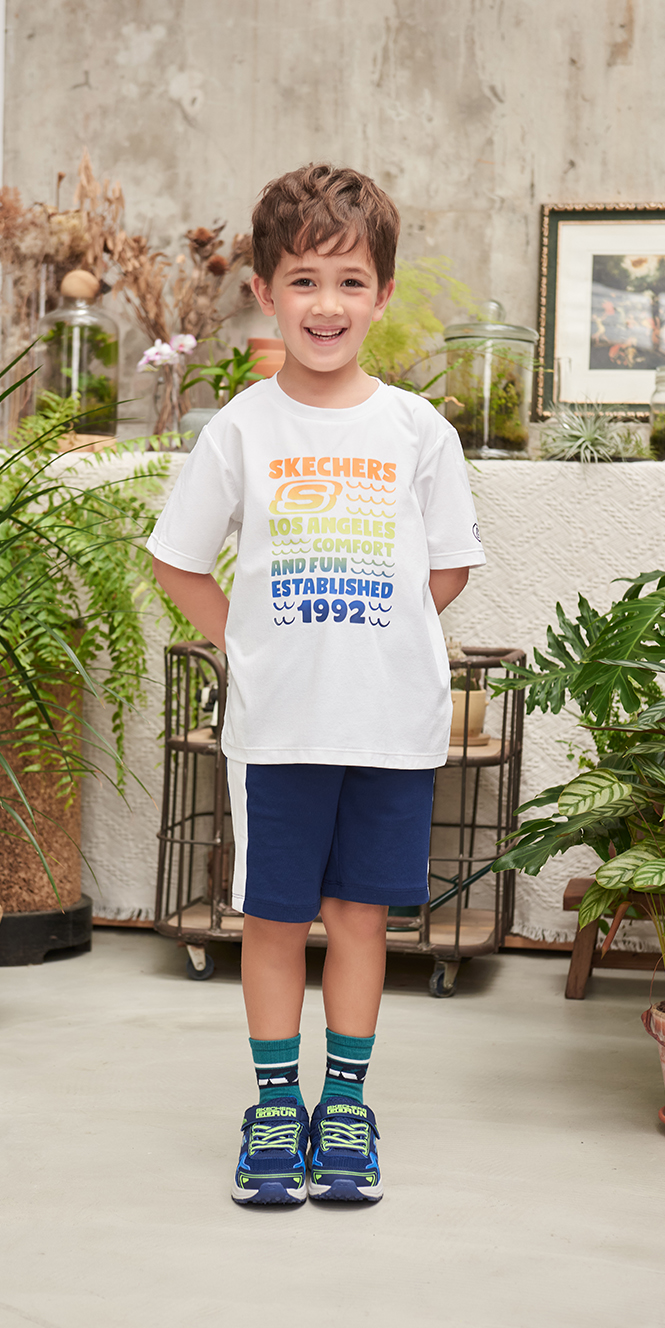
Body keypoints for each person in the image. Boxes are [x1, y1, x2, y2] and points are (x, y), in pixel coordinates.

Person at [148, 163, 484, 1206]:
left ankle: (344, 1101)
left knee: (359, 916)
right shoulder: (241, 429)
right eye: (303, 280)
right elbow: (176, 562)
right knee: (272, 918)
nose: (325, 304)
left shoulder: (417, 431)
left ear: (382, 294)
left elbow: (446, 566)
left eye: (348, 281)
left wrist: (381, 635)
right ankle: (272, 1104)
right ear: (264, 290)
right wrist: (248, 646)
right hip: (278, 729)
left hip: (387, 726)